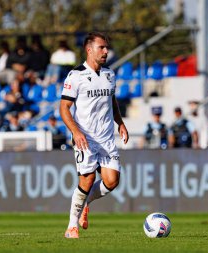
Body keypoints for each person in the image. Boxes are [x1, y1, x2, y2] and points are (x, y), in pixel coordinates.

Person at [60, 32, 129, 239]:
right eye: (102, 48)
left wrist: (121, 123)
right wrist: (76, 131)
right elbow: (64, 108)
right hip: (85, 138)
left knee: (112, 181)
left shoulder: (110, 74)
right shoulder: (76, 75)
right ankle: (72, 226)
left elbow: (112, 102)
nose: (106, 51)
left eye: (106, 47)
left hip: (106, 138)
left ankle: (86, 203)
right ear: (89, 50)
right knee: (87, 179)